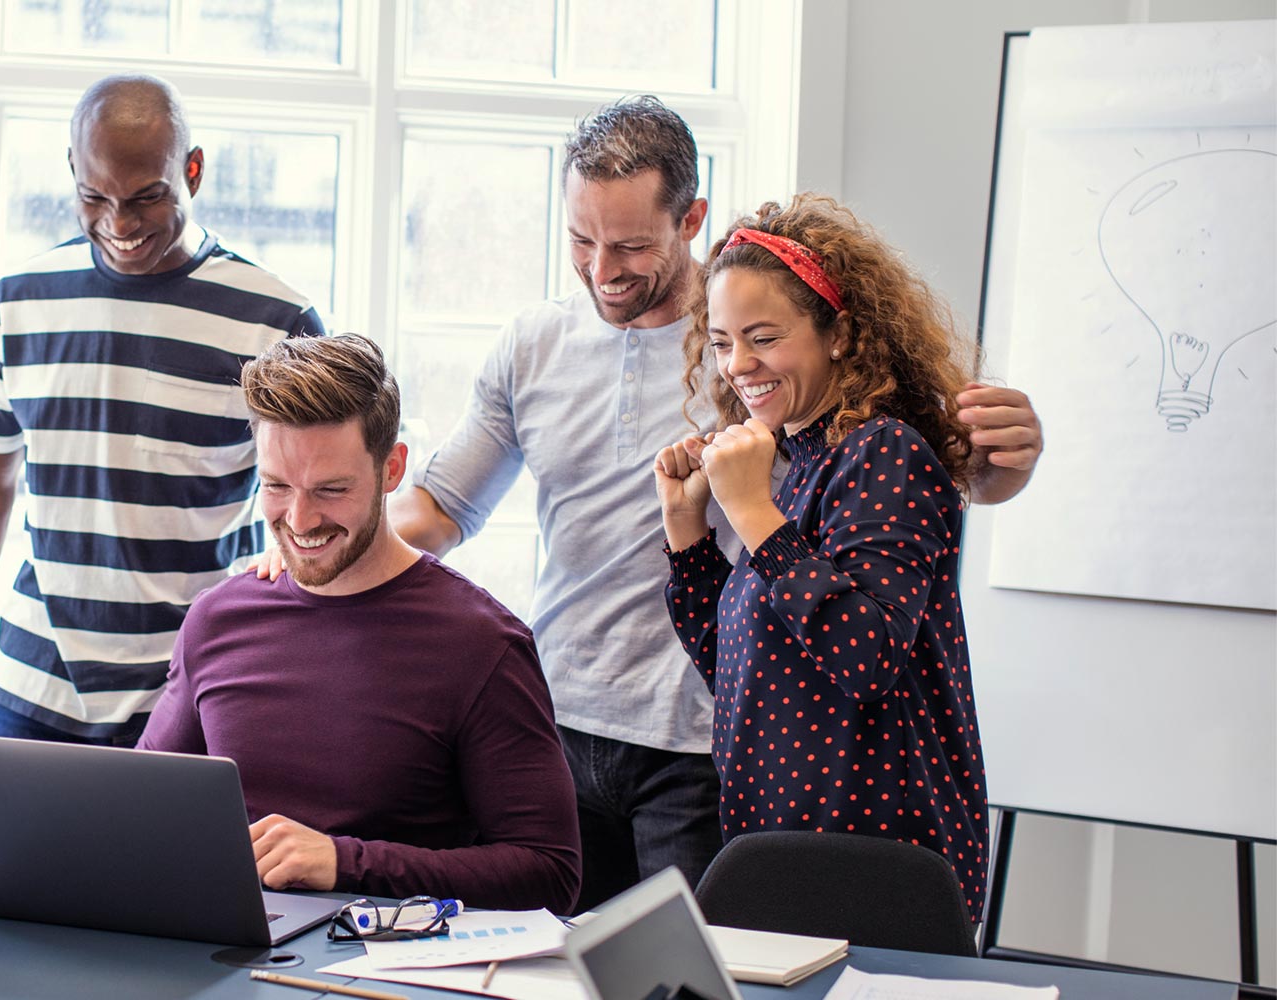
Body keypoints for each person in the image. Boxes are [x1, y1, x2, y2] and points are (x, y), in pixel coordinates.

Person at [382, 97, 1041, 911]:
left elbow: (913, 541)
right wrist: (688, 531)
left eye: (628, 245)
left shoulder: (825, 404)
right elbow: (443, 510)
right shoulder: (748, 421)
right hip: (600, 732)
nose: (601, 270)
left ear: (689, 217)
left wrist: (1004, 464)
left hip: (747, 772)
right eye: (581, 243)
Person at [0, 73, 324, 787]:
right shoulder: (20, 302)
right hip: (37, 695)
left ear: (192, 171)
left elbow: (313, 503)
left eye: (145, 198)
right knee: (21, 900)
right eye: (95, 198)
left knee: (182, 901)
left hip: (201, 694)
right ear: (72, 172)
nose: (120, 224)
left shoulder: (276, 320)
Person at [139, 333, 581, 913]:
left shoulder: (481, 643)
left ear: (391, 468)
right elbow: (143, 808)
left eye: (331, 490)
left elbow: (549, 873)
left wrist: (346, 863)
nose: (299, 520)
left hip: (392, 969)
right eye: (276, 486)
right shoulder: (218, 619)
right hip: (230, 951)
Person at [654, 194, 990, 919]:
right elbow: (740, 669)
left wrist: (751, 513)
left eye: (763, 337)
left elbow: (865, 658)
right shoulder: (801, 466)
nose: (738, 366)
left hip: (876, 854)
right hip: (778, 841)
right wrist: (689, 537)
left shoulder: (885, 452)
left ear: (837, 333)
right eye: (719, 342)